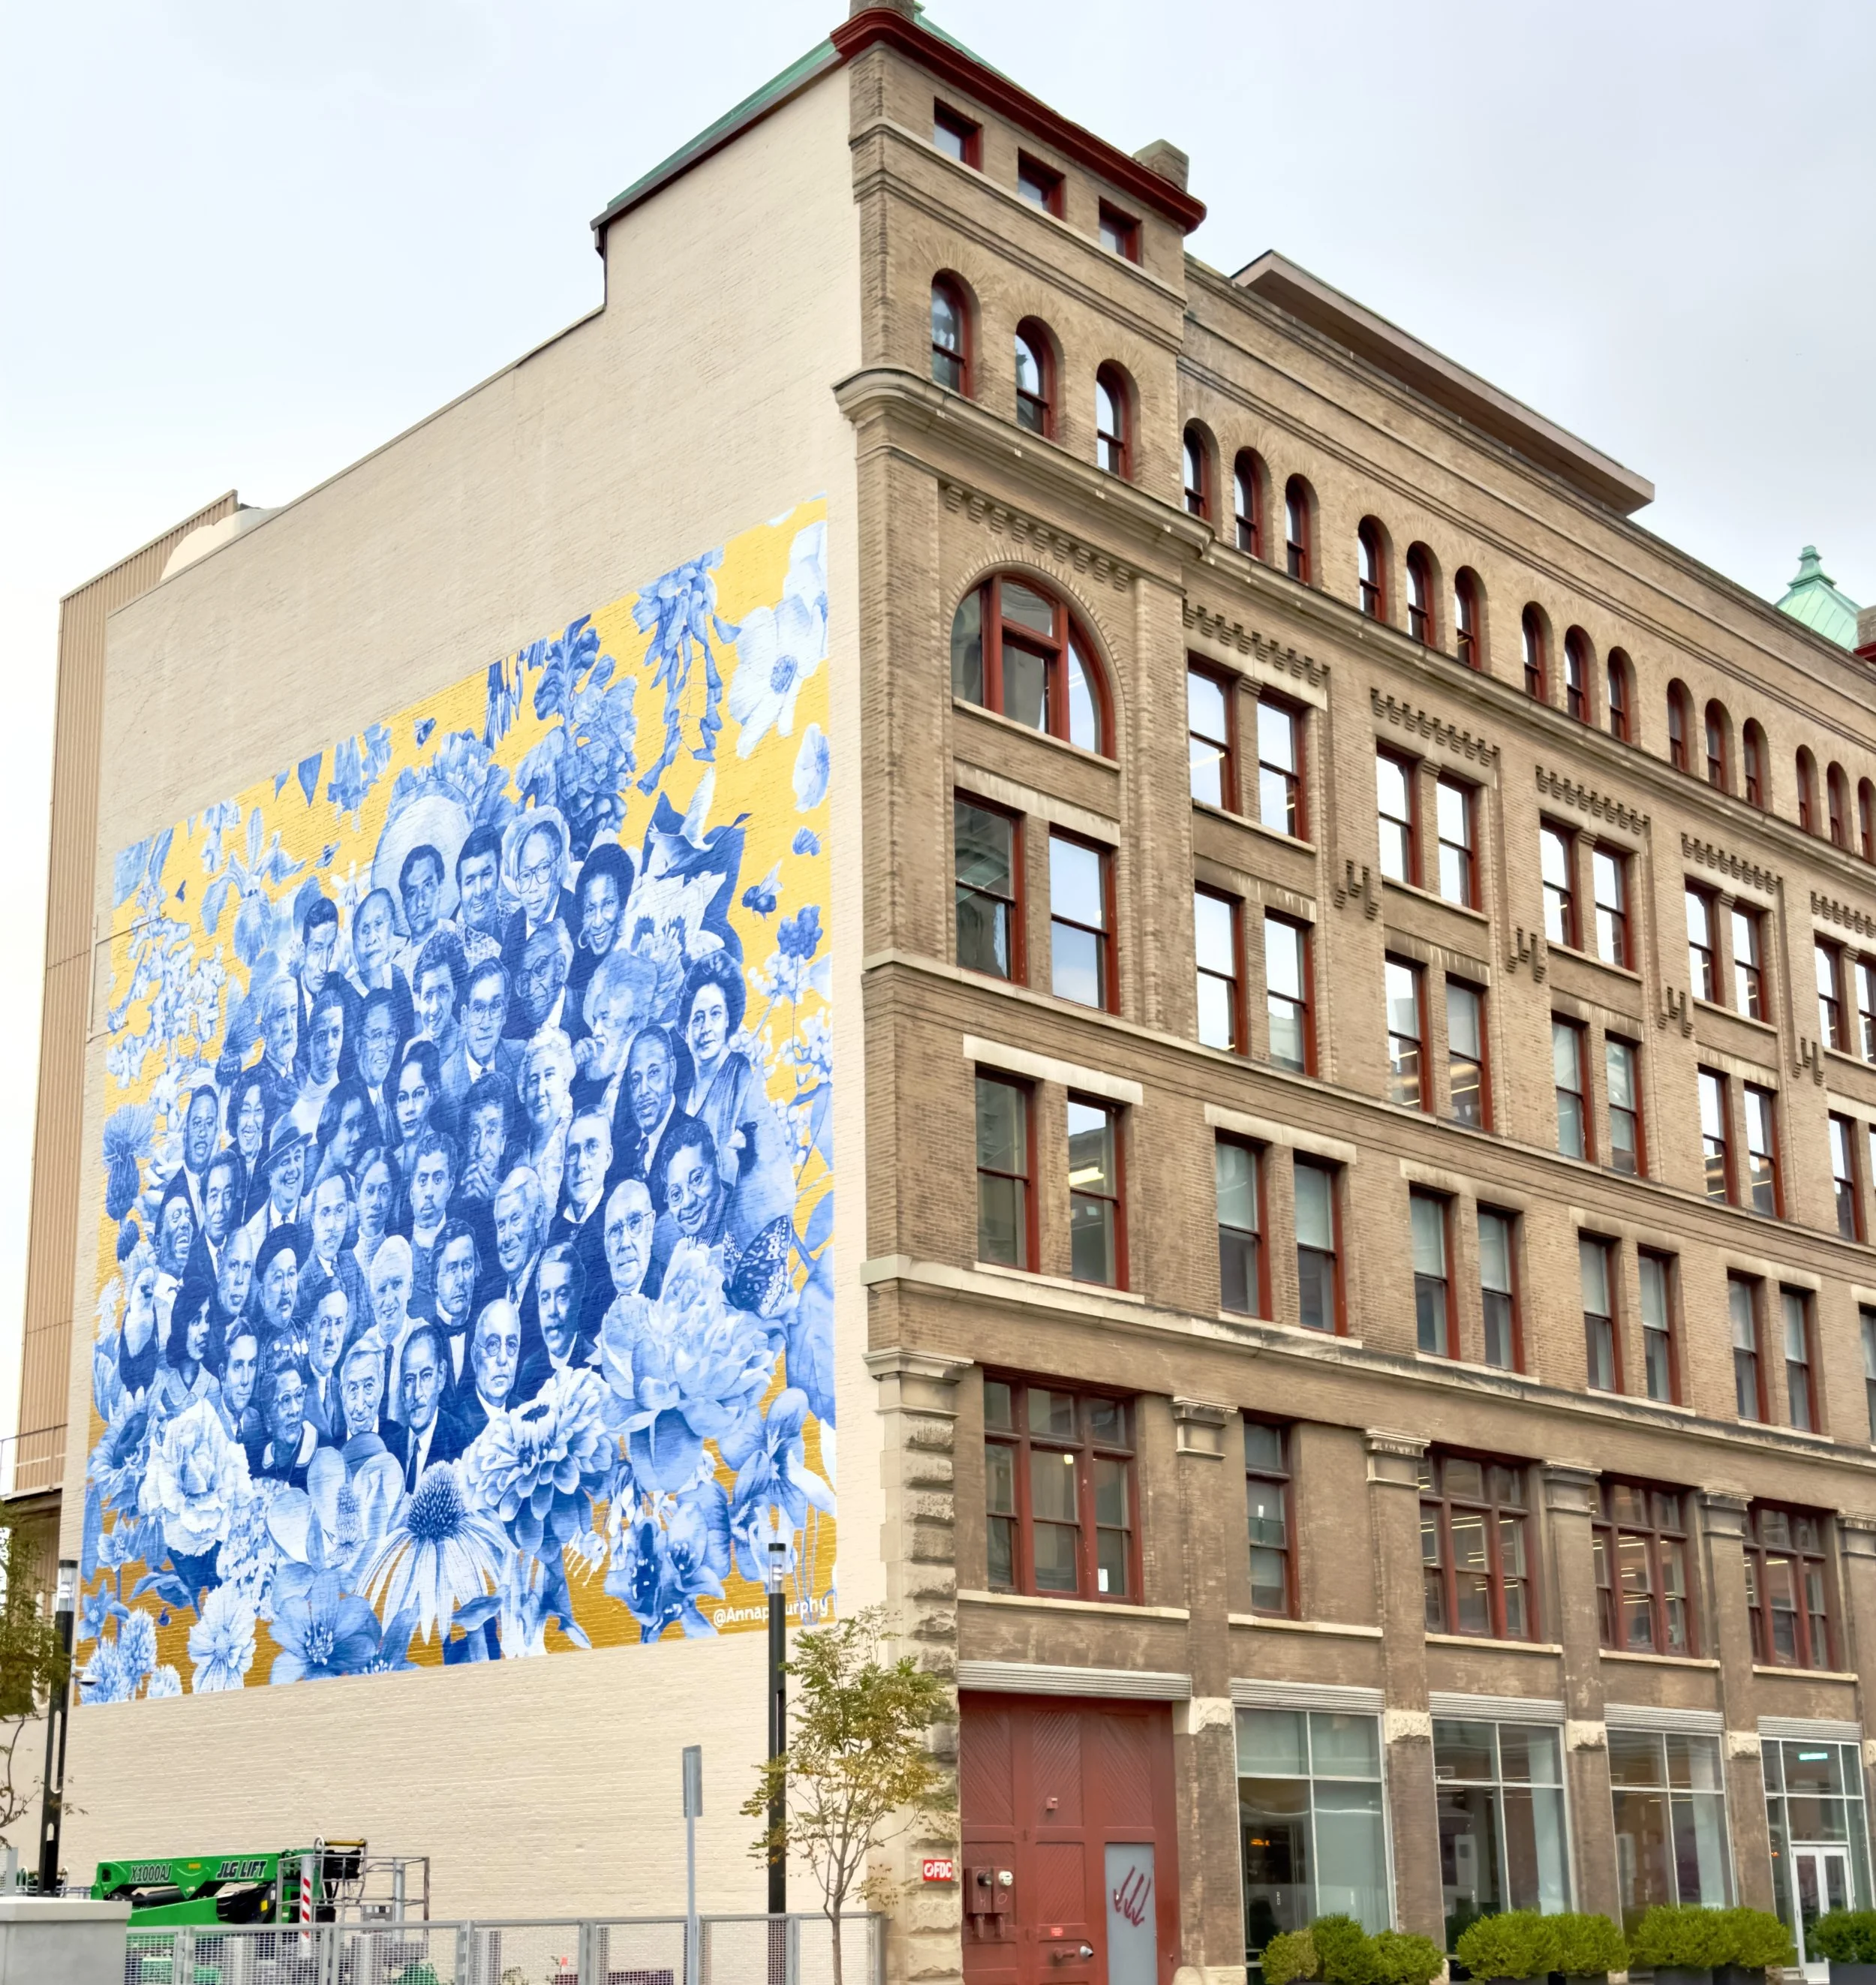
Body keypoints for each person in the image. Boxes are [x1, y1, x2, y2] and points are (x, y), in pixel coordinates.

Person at [678, 952, 790, 1243]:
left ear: (728, 1020)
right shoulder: (681, 1094)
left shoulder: (741, 1075)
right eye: (698, 1018)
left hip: (729, 1231)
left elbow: (756, 1164)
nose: (706, 1029)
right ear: (686, 1029)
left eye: (715, 1014)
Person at [500, 814, 577, 1036]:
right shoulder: (516, 926)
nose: (533, 886)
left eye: (542, 869)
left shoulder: (576, 916)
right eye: (525, 875)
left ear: (558, 867)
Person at [570, 947, 660, 1123]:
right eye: (595, 1020)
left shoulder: (643, 1080)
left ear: (632, 1023)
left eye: (605, 1018)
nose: (596, 1032)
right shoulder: (585, 1084)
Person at [613, 1027, 700, 1201]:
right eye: (636, 1080)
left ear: (672, 1071)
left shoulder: (694, 1138)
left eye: (653, 1073)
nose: (643, 1091)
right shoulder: (621, 1150)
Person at [555, 1108, 613, 1332]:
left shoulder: (613, 1223)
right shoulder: (553, 1231)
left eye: (591, 1148)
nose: (581, 1165)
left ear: (608, 1157)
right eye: (573, 1152)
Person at [564, 841, 634, 1028]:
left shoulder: (635, 956)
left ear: (622, 906)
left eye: (608, 904)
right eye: (590, 909)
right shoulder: (571, 962)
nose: (597, 922)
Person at [391, 1322, 466, 1490]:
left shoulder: (460, 1441)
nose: (417, 1393)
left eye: (426, 1376)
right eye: (409, 1380)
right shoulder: (390, 1449)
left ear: (441, 1377)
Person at [441, 958, 520, 1111]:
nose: (486, 1023)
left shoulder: (521, 1056)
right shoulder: (445, 1083)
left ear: (504, 1014)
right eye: (478, 1009)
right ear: (464, 1016)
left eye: (496, 1006)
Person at [297, 1164, 366, 1332]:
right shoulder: (301, 1282)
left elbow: (367, 1325)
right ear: (313, 1221)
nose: (333, 1225)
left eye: (340, 1211)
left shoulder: (351, 1263)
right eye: (325, 1212)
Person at [419, 1221, 481, 1400]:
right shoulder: (424, 1338)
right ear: (435, 1277)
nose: (461, 1279)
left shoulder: (484, 1331)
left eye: (467, 1266)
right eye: (452, 1268)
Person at [347, 887, 415, 1045]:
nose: (372, 939)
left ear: (391, 928)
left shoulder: (397, 976)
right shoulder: (348, 993)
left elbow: (408, 1033)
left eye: (378, 924)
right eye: (364, 930)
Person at [450, 1299, 522, 1444]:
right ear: (475, 1355)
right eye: (492, 1345)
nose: (503, 1359)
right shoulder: (455, 1428)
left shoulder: (526, 1414)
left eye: (511, 1345)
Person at [518, 1030, 575, 1211]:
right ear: (523, 1092)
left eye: (549, 1076)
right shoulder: (515, 1153)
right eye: (534, 1080)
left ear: (565, 1082)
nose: (540, 1091)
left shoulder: (574, 1142)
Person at [526, 1244, 596, 1391]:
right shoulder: (529, 1371)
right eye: (545, 1298)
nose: (552, 1310)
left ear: (578, 1299)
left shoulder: (595, 1365)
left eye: (562, 1295)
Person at [152, 1291, 222, 1428]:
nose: (205, 1329)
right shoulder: (161, 1383)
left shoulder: (212, 1386)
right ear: (181, 1326)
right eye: (196, 1321)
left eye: (208, 1319)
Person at [490, 1167, 549, 1332]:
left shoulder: (551, 1282)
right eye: (501, 1225)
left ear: (537, 1217)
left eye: (515, 1220)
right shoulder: (488, 1296)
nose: (506, 1237)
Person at [404, 1127, 457, 1311]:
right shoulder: (401, 1257)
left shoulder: (463, 1248)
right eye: (422, 1180)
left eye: (438, 1179)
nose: (428, 1192)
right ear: (412, 1191)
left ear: (450, 1186)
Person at [249, 1346, 316, 1487]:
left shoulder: (320, 1455)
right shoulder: (259, 1465)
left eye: (299, 1395)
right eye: (285, 1400)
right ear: (268, 1419)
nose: (295, 1410)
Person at [242, 1117, 310, 1253]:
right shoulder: (250, 1235)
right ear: (270, 1174)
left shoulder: (317, 1215)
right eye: (285, 1162)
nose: (293, 1168)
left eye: (297, 1158)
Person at [290, 984, 347, 1135]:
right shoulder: (296, 1108)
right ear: (309, 1044)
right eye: (322, 1036)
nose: (330, 1046)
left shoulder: (351, 1100)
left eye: (336, 1033)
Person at [411, 927, 468, 1071]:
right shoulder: (412, 1050)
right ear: (419, 998)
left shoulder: (468, 1044)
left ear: (455, 993)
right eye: (428, 996)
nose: (435, 1008)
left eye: (443, 992)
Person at [355, 988, 402, 1153]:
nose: (385, 1047)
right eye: (376, 1036)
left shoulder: (400, 1086)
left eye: (390, 1034)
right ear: (358, 1044)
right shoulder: (349, 1102)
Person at [302, 1286, 350, 1443]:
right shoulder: (294, 1388)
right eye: (325, 1323)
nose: (332, 1337)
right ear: (308, 1333)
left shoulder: (345, 1392)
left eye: (339, 1323)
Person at [293, 894, 343, 1046]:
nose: (324, 965)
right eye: (317, 949)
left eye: (329, 948)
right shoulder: (290, 997)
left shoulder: (339, 985)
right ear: (303, 951)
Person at [515, 921, 576, 1043]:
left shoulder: (587, 1013)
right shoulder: (519, 1033)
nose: (531, 990)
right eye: (525, 978)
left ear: (560, 969)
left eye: (540, 969)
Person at [350, 1147, 402, 1286]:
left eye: (384, 1191)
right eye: (369, 1191)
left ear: (392, 1197)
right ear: (357, 1196)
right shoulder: (341, 1260)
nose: (376, 1202)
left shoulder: (398, 1260)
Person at [225, 1071, 272, 1223]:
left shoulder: (272, 1157)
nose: (251, 1122)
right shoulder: (225, 1162)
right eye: (245, 1111)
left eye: (258, 1111)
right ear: (236, 1115)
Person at [392, 1039, 442, 1181]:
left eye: (418, 1094)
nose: (409, 1108)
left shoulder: (446, 1154)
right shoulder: (388, 1163)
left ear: (434, 1093)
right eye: (402, 1098)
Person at [453, 825, 504, 960]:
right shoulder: (451, 949)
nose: (479, 891)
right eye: (469, 881)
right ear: (460, 890)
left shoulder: (516, 918)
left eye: (486, 874)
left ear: (499, 874)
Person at [396, 844, 448, 977]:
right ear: (403, 905)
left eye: (428, 885)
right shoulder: (396, 969)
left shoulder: (463, 939)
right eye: (412, 893)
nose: (420, 902)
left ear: (440, 889)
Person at [176, 1084, 221, 1229]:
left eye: (209, 1123)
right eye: (197, 1123)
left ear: (216, 1131)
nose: (203, 1133)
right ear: (186, 1131)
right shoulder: (173, 1191)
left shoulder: (224, 1186)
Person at [251, 1226, 302, 1355]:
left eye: (291, 1274)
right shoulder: (254, 1344)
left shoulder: (305, 1331)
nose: (286, 1288)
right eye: (278, 1278)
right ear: (262, 1295)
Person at [314, 1077, 372, 1183]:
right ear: (329, 1129)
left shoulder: (357, 1190)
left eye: (361, 1124)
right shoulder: (303, 1188)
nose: (358, 1136)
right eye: (349, 1126)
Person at [216, 1323, 261, 1447]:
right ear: (222, 1374)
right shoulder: (209, 1423)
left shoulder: (255, 1419)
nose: (245, 1379)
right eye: (238, 1366)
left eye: (252, 1365)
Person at [368, 1234, 415, 1346]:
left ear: (410, 1287)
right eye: (382, 1290)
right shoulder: (360, 1351)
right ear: (372, 1299)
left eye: (396, 1284)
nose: (389, 1300)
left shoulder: (425, 1340)